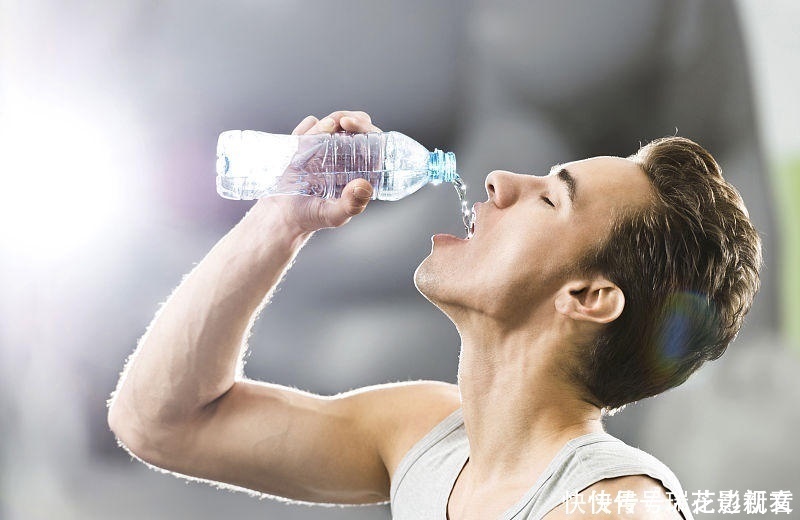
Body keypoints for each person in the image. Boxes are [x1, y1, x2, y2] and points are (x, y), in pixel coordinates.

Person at [107, 110, 761, 519]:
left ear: (589, 297)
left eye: (549, 201)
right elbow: (160, 422)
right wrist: (280, 220)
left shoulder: (616, 509)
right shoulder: (424, 436)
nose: (501, 181)